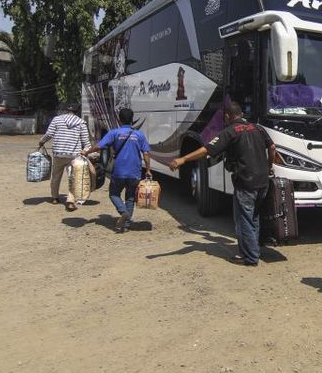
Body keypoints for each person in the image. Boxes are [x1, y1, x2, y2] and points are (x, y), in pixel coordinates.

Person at [169, 102, 276, 266]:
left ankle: (250, 257)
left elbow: (206, 150)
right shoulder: (258, 128)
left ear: (227, 116)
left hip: (246, 182)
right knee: (253, 218)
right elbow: (273, 147)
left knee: (244, 219)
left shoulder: (230, 131)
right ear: (241, 113)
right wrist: (269, 166)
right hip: (263, 182)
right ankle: (252, 250)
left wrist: (182, 159)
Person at [81, 108, 151, 233]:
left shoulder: (114, 133)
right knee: (130, 197)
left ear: (119, 119)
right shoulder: (139, 134)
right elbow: (146, 153)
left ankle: (123, 212)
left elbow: (99, 146)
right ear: (132, 120)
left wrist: (87, 152)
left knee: (114, 194)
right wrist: (148, 170)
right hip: (135, 172)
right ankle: (127, 223)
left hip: (119, 171)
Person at [38, 103, 91, 211]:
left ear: (67, 110)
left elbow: (49, 134)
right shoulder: (81, 123)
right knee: (73, 178)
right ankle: (70, 201)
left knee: (56, 176)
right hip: (74, 156)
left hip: (58, 153)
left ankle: (54, 198)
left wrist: (41, 141)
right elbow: (86, 142)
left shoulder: (57, 120)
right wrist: (85, 152)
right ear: (78, 111)